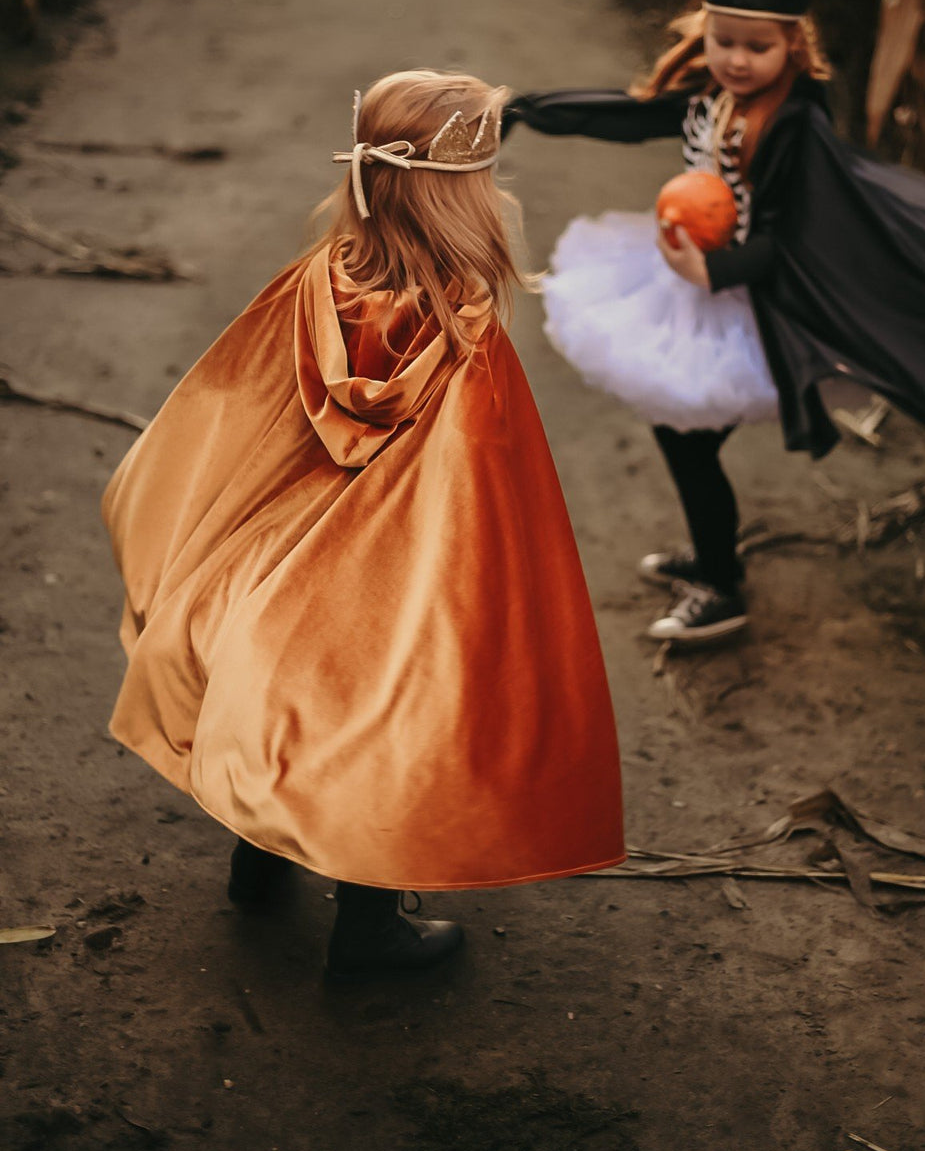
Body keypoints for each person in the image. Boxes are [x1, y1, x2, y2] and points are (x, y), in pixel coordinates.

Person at [102, 69, 625, 981]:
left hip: (267, 561)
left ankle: (258, 866)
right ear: (467, 200)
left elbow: (234, 412)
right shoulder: (463, 336)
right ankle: (369, 928)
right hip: (379, 585)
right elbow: (476, 497)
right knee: (388, 711)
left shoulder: (314, 285)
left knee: (274, 687)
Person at [503, 0, 925, 647]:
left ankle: (720, 585)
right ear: (706, 32)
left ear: (793, 47)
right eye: (724, 41)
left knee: (686, 439)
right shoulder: (713, 95)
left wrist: (711, 274)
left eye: (757, 47)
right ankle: (714, 557)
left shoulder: (796, 125)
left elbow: (792, 241)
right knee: (682, 437)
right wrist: (528, 111)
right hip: (700, 287)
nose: (737, 60)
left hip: (755, 302)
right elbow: (630, 115)